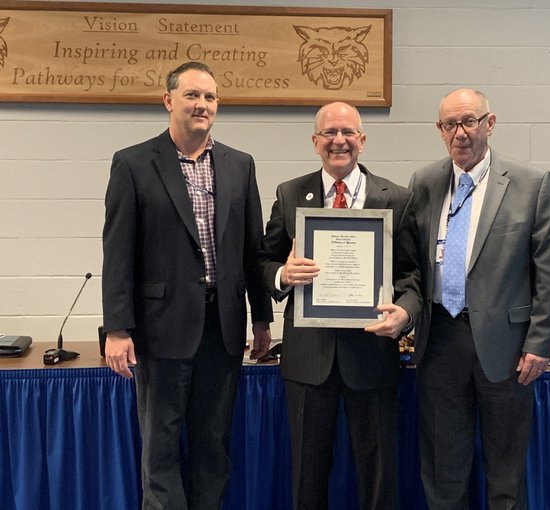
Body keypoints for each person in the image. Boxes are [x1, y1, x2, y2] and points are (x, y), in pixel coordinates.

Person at [101, 61, 273, 509]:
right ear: (169, 101)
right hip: (160, 332)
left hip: (223, 328)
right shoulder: (134, 163)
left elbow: (252, 250)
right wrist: (118, 329)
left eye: (210, 97)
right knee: (160, 449)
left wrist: (262, 319)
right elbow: (118, 252)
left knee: (213, 448)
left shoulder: (240, 165)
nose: (202, 105)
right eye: (192, 95)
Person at [406, 88, 550, 510]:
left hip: (506, 348)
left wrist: (540, 342)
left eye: (469, 121)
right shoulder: (423, 183)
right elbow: (412, 265)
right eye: (449, 125)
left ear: (489, 124)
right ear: (439, 130)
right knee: (443, 469)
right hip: (439, 340)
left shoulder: (532, 184)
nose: (460, 133)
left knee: (506, 472)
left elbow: (549, 272)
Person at [258, 102, 418, 510]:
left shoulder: (397, 198)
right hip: (309, 363)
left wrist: (405, 314)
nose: (339, 140)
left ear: (362, 140)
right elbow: (262, 261)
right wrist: (283, 275)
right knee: (307, 478)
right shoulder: (290, 193)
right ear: (315, 142)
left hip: (373, 357)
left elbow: (412, 276)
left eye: (347, 132)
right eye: (329, 133)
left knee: (379, 477)